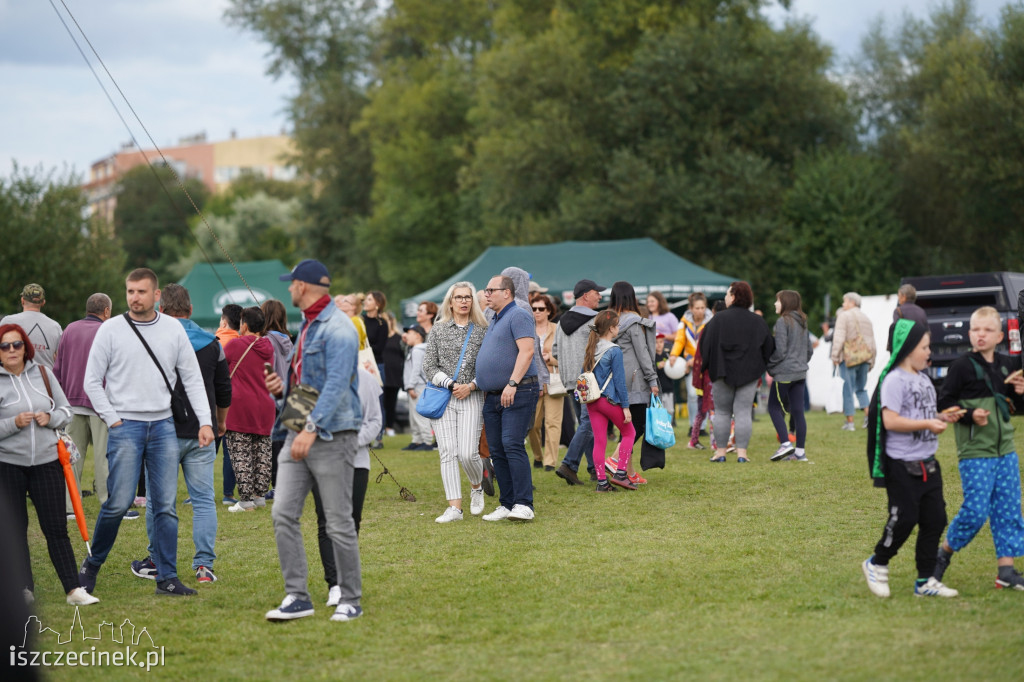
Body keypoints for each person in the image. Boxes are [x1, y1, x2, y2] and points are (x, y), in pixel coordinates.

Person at [79, 268, 213, 597]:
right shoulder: (111, 329)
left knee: (165, 505)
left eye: (141, 292)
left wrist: (206, 421)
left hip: (164, 425)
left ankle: (166, 578)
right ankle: (91, 567)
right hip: (125, 426)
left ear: (157, 297)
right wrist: (111, 418)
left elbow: (193, 379)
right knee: (118, 503)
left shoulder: (171, 330)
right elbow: (91, 381)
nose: (134, 297)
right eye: (130, 291)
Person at [264, 259, 363, 622]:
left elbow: (337, 384)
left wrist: (310, 429)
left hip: (331, 435)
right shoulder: (306, 326)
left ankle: (350, 598)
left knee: (338, 521)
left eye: (291, 284)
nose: (288, 289)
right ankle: (298, 597)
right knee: (282, 513)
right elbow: (307, 383)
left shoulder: (339, 328)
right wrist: (281, 391)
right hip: (297, 432)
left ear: (303, 287)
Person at [130, 283, 231, 585]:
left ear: (160, 310)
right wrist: (220, 422)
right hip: (202, 430)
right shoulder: (212, 343)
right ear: (190, 310)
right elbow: (224, 390)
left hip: (162, 431)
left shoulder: (150, 342)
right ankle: (204, 566)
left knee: (160, 502)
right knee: (203, 500)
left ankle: (157, 561)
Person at [0, 323, 98, 606]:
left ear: (25, 347)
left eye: (16, 344)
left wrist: (50, 417)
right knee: (15, 529)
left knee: (56, 527)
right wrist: (12, 423)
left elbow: (66, 410)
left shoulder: (42, 373)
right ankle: (22, 589)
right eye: (4, 346)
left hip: (47, 462)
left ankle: (73, 590)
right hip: (7, 464)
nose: (11, 351)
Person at [862, 320, 959, 598]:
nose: (930, 353)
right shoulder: (894, 380)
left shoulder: (924, 379)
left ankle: (925, 581)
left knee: (935, 519)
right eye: (925, 347)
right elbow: (890, 421)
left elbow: (922, 414)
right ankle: (877, 563)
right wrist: (928, 425)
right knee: (905, 518)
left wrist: (941, 417)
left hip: (928, 463)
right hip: (901, 465)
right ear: (907, 349)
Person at [932, 306, 1024, 590]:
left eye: (987, 331)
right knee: (975, 511)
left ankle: (1006, 572)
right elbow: (942, 404)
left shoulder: (1008, 364)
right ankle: (942, 555)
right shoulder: (960, 367)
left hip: (1005, 450)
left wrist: (1020, 393)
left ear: (999, 336)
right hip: (975, 452)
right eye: (975, 330)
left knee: (1009, 509)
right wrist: (971, 415)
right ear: (969, 333)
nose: (980, 335)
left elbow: (1015, 408)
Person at [421, 283, 488, 522]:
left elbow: (490, 367)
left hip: (472, 395)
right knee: (447, 452)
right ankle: (455, 508)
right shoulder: (438, 330)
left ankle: (477, 486)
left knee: (468, 453)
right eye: (458, 297)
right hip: (444, 396)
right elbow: (428, 365)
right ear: (450, 302)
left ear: (473, 301)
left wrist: (471, 385)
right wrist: (450, 384)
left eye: (467, 297)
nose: (463, 301)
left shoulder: (483, 329)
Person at [316, 366, 381, 607]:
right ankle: (334, 584)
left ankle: (346, 579)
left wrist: (352, 442)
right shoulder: (315, 375)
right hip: (322, 459)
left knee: (351, 521)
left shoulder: (367, 380)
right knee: (326, 521)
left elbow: (375, 420)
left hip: (357, 461)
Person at [478, 275, 540, 521]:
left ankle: (524, 504)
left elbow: (527, 351)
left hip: (518, 390)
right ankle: (507, 503)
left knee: (512, 444)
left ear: (507, 292)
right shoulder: (493, 316)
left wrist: (512, 383)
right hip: (493, 395)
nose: (486, 294)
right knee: (497, 449)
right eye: (486, 290)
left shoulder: (519, 315)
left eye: (491, 290)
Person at [697, 281, 773, 463]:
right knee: (743, 412)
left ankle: (721, 453)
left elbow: (704, 346)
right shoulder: (757, 321)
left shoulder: (717, 320)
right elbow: (769, 348)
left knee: (722, 412)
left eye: (727, 294)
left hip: (721, 372)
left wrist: (705, 367)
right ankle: (742, 454)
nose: (724, 297)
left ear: (733, 297)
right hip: (749, 373)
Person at [52, 293, 114, 515]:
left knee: (72, 459)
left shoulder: (68, 329)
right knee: (104, 457)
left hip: (71, 403)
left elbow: (57, 368)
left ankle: (69, 507)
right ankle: (109, 504)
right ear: (106, 311)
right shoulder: (107, 330)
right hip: (100, 405)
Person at [604, 282, 659, 483]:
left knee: (626, 424)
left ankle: (628, 471)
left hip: (614, 376)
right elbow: (643, 353)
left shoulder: (608, 319)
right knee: (638, 424)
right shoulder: (634, 322)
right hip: (635, 379)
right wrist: (652, 379)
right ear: (632, 297)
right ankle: (616, 459)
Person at [552, 279, 604, 486]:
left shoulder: (561, 320)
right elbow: (602, 349)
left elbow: (555, 351)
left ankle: (593, 468)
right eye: (596, 293)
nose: (600, 296)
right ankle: (569, 464)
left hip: (570, 380)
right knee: (589, 424)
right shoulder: (597, 320)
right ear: (585, 295)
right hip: (589, 378)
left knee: (585, 423)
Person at [224, 306, 276, 512]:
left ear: (244, 325)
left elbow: (221, 365)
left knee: (241, 452)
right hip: (265, 404)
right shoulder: (268, 346)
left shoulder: (236, 345)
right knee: (262, 451)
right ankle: (259, 495)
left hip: (240, 405)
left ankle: (245, 501)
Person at [581, 311, 637, 492]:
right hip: (609, 399)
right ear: (611, 328)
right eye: (618, 325)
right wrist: (626, 407)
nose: (619, 328)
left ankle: (602, 482)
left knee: (600, 441)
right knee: (629, 433)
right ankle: (621, 473)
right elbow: (620, 382)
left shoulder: (591, 346)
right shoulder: (614, 350)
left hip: (592, 400)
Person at [767, 290, 814, 463]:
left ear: (785, 302)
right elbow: (809, 350)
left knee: (773, 407)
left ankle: (786, 443)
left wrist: (770, 366)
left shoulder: (782, 322)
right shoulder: (803, 321)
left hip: (784, 374)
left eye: (777, 300)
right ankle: (800, 453)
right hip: (800, 374)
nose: (775, 304)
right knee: (798, 411)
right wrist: (800, 363)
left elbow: (780, 351)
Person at [527, 293, 563, 472]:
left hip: (554, 380)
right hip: (532, 382)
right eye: (534, 309)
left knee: (553, 423)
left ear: (549, 311)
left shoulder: (557, 329)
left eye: (541, 309)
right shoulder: (526, 329)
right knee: (532, 424)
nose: (537, 312)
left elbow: (566, 355)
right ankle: (538, 456)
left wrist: (551, 358)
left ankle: (550, 461)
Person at [261, 299, 294, 497]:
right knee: (284, 443)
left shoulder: (266, 340)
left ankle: (277, 486)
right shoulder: (288, 339)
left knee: (274, 443)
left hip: (272, 395)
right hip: (287, 394)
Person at [831, 292, 876, 431]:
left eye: (844, 302)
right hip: (864, 358)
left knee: (847, 390)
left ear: (852, 302)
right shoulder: (866, 318)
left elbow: (839, 337)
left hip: (849, 358)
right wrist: (872, 360)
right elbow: (872, 342)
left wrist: (835, 357)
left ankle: (850, 423)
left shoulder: (844, 316)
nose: (843, 305)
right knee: (861, 389)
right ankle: (868, 418)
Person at [670, 292, 713, 434]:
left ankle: (702, 427)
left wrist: (701, 359)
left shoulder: (711, 321)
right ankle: (692, 425)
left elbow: (711, 343)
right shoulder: (683, 322)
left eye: (702, 308)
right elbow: (680, 341)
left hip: (706, 362)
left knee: (706, 395)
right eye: (697, 308)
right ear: (691, 308)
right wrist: (674, 355)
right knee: (692, 395)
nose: (700, 311)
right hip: (690, 363)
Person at [216, 302, 242, 504]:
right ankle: (228, 494)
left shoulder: (213, 341)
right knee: (230, 451)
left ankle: (197, 493)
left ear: (224, 322)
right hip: (233, 401)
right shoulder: (244, 343)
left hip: (211, 400)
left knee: (206, 451)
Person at [1, 283, 62, 369]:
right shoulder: (55, 327)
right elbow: (60, 360)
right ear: (43, 302)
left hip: (15, 379)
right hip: (45, 380)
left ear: (22, 300)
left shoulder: (8, 321)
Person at [401, 323, 431, 451]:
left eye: (410, 333)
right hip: (414, 386)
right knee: (413, 416)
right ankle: (417, 440)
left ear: (418, 336)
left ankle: (427, 441)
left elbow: (416, 370)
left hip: (418, 386)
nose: (406, 335)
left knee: (419, 414)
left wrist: (411, 386)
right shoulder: (414, 349)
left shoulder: (418, 350)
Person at [381, 312, 404, 438]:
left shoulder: (399, 338)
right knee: (381, 402)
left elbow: (403, 355)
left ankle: (389, 427)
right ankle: (381, 427)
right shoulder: (379, 337)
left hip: (394, 375)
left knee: (391, 403)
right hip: (381, 373)